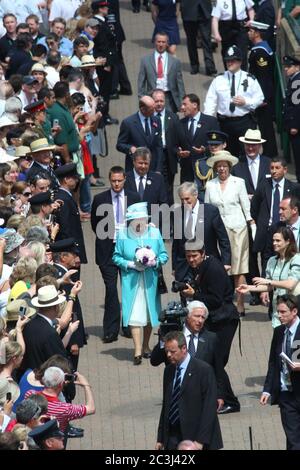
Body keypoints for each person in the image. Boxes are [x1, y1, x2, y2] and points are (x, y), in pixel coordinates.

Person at [181, 238, 240, 414]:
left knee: (217, 362)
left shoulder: (213, 268)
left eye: (194, 256)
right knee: (214, 361)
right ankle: (215, 396)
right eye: (188, 256)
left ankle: (230, 402)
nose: (191, 260)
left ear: (203, 253)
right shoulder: (202, 266)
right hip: (216, 320)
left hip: (225, 320)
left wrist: (195, 294)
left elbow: (216, 299)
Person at [112, 202, 168, 365]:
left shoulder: (155, 232)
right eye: (133, 220)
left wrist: (155, 262)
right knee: (135, 315)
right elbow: (116, 257)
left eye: (140, 220)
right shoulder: (122, 235)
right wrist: (130, 264)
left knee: (149, 315)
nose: (137, 223)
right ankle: (137, 350)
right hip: (132, 281)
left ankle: (145, 346)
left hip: (150, 281)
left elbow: (164, 255)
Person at [90, 166, 140, 343]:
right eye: (113, 181)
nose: (117, 184)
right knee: (111, 289)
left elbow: (139, 223)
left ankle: (127, 326)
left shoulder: (134, 197)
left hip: (128, 251)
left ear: (125, 179)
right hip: (107, 251)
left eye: (119, 180)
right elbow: (95, 224)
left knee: (128, 288)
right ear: (110, 180)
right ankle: (111, 330)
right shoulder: (100, 198)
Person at [205, 150, 255, 315]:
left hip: (237, 229)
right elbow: (206, 208)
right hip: (217, 230)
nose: (221, 169)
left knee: (238, 268)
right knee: (219, 266)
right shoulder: (210, 184)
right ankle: (222, 301)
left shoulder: (238, 182)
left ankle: (240, 303)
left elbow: (245, 206)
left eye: (224, 166)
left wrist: (250, 223)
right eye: (218, 166)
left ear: (229, 167)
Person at [155, 330, 223, 450]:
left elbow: (209, 408)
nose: (169, 355)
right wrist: (161, 438)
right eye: (167, 351)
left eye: (173, 351)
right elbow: (167, 405)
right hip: (173, 436)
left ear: (184, 349)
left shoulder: (203, 370)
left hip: (195, 436)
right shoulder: (169, 371)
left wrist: (200, 441)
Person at [151, 300, 224, 410]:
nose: (200, 321)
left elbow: (218, 369)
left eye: (203, 318)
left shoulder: (211, 339)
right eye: (197, 316)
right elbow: (154, 361)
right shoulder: (174, 335)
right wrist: (162, 340)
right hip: (177, 394)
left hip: (202, 395)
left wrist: (219, 394)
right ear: (187, 317)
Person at [232, 128, 271, 304]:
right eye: (248, 144)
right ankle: (255, 293)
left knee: (266, 255)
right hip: (244, 217)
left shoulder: (268, 163)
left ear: (259, 146)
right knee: (250, 257)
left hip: (264, 216)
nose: (251, 148)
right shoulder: (237, 167)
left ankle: (267, 290)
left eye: (254, 145)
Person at [204, 45, 264, 157]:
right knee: (225, 155)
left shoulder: (249, 79)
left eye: (233, 60)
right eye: (227, 60)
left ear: (240, 62)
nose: (229, 63)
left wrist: (246, 102)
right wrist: (208, 121)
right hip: (224, 123)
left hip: (243, 122)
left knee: (246, 154)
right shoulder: (219, 79)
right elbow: (210, 102)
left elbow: (260, 98)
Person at [237, 226, 300, 328]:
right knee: (278, 341)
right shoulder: (272, 261)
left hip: (294, 312)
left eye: (278, 240)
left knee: (293, 342)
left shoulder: (296, 259)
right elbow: (269, 287)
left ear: (288, 241)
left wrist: (268, 281)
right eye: (273, 240)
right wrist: (249, 288)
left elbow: (290, 284)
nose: (274, 243)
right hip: (278, 312)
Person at [260, 294, 300, 450]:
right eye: (278, 311)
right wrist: (267, 389)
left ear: (294, 311)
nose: (279, 315)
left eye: (283, 312)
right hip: (286, 394)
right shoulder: (279, 332)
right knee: (293, 440)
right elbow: (273, 363)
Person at [172, 181, 231, 282]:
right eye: (182, 200)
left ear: (195, 195)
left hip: (208, 263)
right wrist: (174, 266)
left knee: (209, 296)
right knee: (186, 296)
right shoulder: (177, 213)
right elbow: (176, 243)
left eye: (187, 199)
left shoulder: (211, 211)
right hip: (185, 266)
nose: (184, 203)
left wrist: (226, 262)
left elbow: (223, 238)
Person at [251, 157, 297, 273]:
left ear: (285, 170)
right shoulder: (263, 185)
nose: (274, 171)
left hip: (286, 230)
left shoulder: (293, 187)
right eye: (272, 168)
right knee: (267, 263)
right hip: (267, 231)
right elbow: (254, 208)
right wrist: (262, 223)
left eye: (277, 168)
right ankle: (266, 289)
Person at [19, 285, 68, 376]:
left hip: (27, 377)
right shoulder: (50, 333)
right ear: (56, 307)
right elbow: (60, 364)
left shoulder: (28, 325)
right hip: (43, 381)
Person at [247, 21, 277, 157]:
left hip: (263, 95)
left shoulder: (260, 52)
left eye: (251, 31)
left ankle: (269, 153)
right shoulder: (262, 48)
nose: (248, 33)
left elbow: (263, 77)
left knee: (265, 126)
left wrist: (263, 97)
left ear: (257, 33)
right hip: (263, 93)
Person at [176, 93, 220, 183]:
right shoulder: (180, 123)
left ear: (195, 105)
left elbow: (218, 144)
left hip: (205, 169)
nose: (182, 108)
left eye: (185, 104)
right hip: (187, 171)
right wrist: (178, 152)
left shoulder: (211, 121)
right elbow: (174, 144)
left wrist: (205, 150)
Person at [138, 31, 185, 113]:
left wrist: (182, 102)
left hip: (169, 97)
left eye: (163, 42)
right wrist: (142, 98)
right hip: (152, 97)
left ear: (167, 43)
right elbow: (141, 82)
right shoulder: (145, 60)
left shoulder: (175, 61)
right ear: (155, 42)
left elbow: (180, 83)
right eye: (159, 42)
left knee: (169, 122)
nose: (161, 44)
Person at [116, 96, 163, 173]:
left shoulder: (156, 120)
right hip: (135, 168)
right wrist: (130, 148)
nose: (155, 111)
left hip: (152, 167)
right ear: (143, 109)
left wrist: (158, 169)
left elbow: (159, 146)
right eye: (152, 109)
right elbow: (120, 144)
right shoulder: (128, 123)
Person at [54, 163, 87, 266]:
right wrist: (74, 253)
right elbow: (66, 229)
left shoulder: (66, 196)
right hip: (69, 255)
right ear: (66, 180)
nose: (77, 180)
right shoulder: (63, 199)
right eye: (74, 178)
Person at [124, 147, 168, 224]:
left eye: (146, 163)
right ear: (134, 162)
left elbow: (163, 205)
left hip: (152, 226)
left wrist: (153, 222)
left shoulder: (157, 179)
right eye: (140, 163)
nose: (143, 166)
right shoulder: (125, 179)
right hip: (129, 226)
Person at [152, 89, 179, 206]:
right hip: (153, 156)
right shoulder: (147, 116)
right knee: (154, 186)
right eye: (156, 101)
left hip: (168, 156)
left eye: (161, 101)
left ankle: (169, 217)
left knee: (168, 188)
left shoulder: (173, 117)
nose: (159, 104)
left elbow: (179, 137)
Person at [211, 0, 255, 70]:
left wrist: (252, 20)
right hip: (226, 28)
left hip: (241, 28)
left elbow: (250, 9)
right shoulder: (220, 1)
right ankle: (229, 74)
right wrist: (216, 34)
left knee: (242, 53)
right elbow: (215, 18)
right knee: (228, 53)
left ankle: (242, 75)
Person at [180, 0, 217, 76]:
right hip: (188, 10)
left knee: (207, 39)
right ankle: (194, 65)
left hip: (204, 9)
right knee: (191, 40)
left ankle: (210, 67)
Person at [194, 130, 228, 201]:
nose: (213, 147)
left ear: (224, 145)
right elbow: (199, 188)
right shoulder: (201, 164)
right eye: (211, 144)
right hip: (207, 201)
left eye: (216, 145)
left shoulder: (230, 163)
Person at [282, 55, 300, 183]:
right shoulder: (293, 80)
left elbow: (297, 105)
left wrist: (295, 125)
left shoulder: (296, 81)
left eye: (289, 66)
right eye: (285, 67)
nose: (285, 69)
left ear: (297, 67)